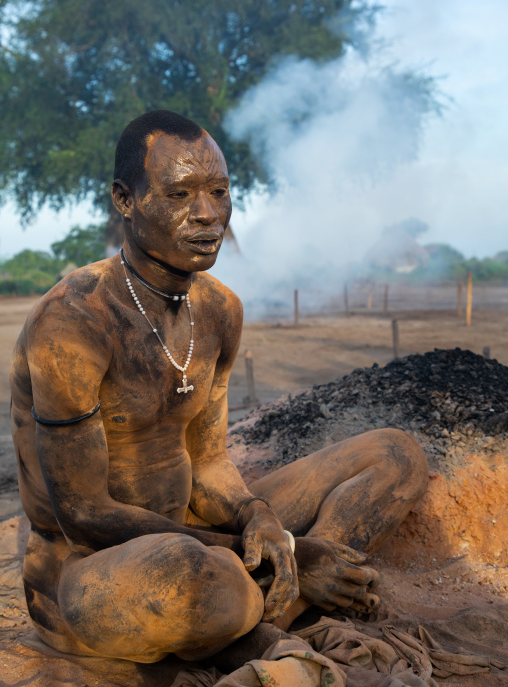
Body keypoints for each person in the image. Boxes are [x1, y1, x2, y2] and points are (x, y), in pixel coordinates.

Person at [10, 110, 428, 664]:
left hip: (193, 529)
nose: (208, 214)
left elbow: (207, 462)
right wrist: (292, 549)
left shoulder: (219, 309)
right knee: (198, 583)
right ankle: (286, 596)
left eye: (220, 191)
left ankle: (275, 598)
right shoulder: (73, 322)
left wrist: (259, 518)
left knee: (396, 455)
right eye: (180, 193)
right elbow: (81, 513)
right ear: (125, 200)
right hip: (91, 571)